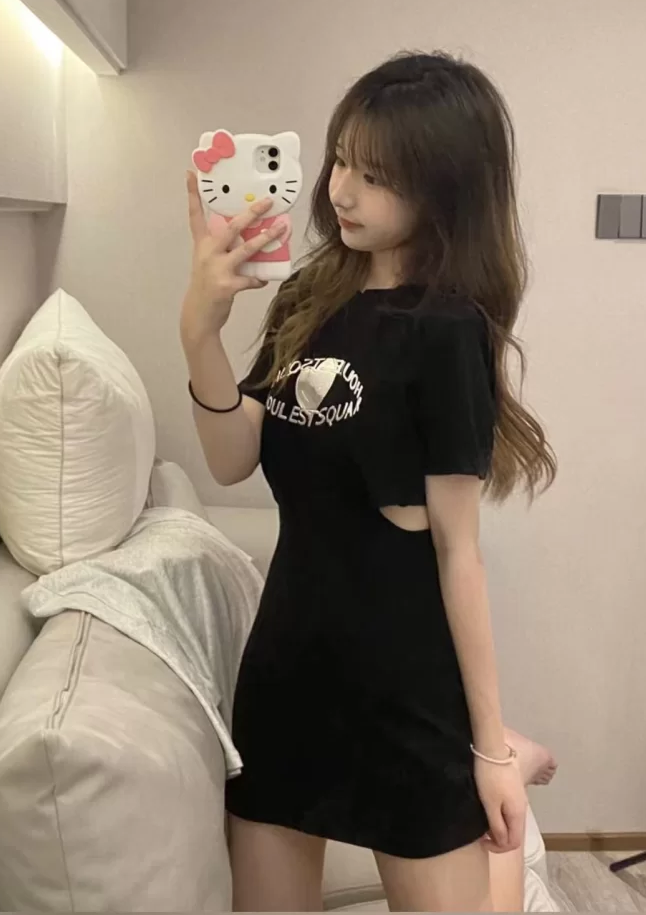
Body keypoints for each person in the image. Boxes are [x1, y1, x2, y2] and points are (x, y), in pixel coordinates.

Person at [180, 51, 557, 913]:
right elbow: (233, 457)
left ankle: (515, 754)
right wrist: (199, 330)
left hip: (405, 692)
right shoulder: (309, 295)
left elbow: (459, 551)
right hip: (287, 672)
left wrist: (489, 748)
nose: (341, 190)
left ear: (442, 189)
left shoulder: (447, 332)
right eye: (342, 158)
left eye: (376, 175)